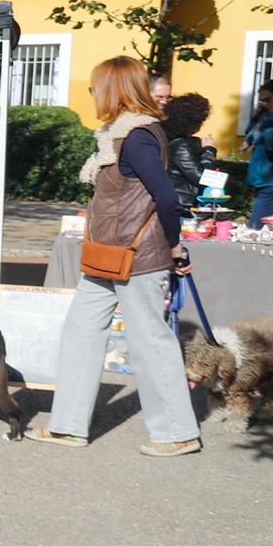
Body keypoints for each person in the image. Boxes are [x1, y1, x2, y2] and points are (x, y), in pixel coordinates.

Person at [31, 56, 201, 456]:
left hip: (137, 256)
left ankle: (177, 433)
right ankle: (68, 426)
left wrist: (174, 246)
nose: (92, 94)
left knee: (150, 341)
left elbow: (165, 196)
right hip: (107, 254)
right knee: (81, 333)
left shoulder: (137, 135)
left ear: (114, 89)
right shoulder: (117, 135)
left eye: (96, 87)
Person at [161, 94, 216, 212]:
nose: (201, 125)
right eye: (200, 121)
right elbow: (204, 178)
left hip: (180, 204)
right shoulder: (181, 146)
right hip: (183, 207)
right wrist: (209, 150)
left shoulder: (175, 142)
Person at [246, 80, 273, 225]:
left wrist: (269, 119)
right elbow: (248, 136)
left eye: (268, 100)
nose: (265, 104)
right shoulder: (265, 117)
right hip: (262, 183)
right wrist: (261, 117)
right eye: (262, 102)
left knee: (256, 230)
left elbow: (272, 144)